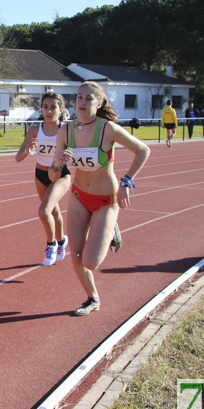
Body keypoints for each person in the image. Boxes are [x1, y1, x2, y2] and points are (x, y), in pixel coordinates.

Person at [50, 81, 150, 316]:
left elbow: (143, 150)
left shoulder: (108, 129)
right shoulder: (65, 131)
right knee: (75, 255)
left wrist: (127, 181)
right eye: (79, 97)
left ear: (99, 103)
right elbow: (53, 175)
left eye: (88, 98)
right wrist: (58, 162)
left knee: (91, 261)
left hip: (106, 199)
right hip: (78, 196)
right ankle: (92, 297)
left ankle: (110, 228)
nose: (82, 102)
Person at [14, 92, 72, 266]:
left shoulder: (66, 130)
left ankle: (51, 244)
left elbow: (78, 153)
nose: (48, 111)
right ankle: (62, 241)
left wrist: (70, 154)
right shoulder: (34, 129)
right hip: (40, 175)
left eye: (53, 107)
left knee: (44, 210)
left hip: (61, 175)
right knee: (53, 211)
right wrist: (28, 150)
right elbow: (18, 158)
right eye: (45, 107)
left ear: (60, 109)